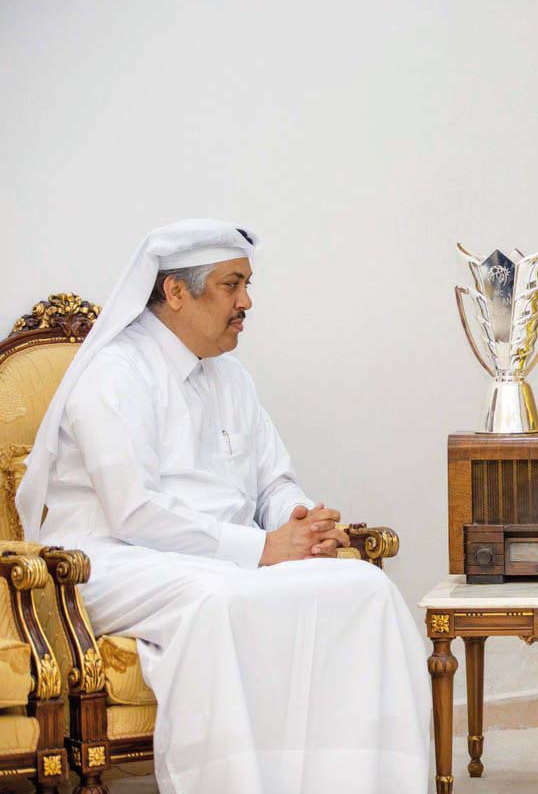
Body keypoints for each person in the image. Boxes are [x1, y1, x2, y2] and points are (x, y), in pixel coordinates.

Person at [17, 219, 431, 794]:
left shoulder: (232, 376)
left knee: (366, 589)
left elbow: (273, 481)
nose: (247, 302)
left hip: (220, 556)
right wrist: (261, 548)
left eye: (247, 284)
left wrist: (299, 520)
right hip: (109, 560)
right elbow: (133, 512)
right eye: (231, 285)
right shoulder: (115, 373)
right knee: (223, 599)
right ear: (176, 292)